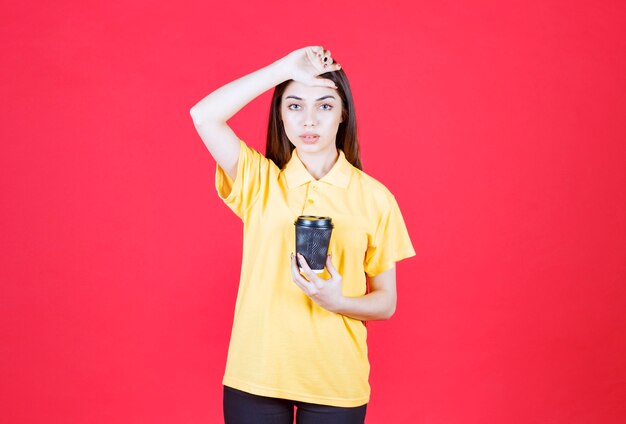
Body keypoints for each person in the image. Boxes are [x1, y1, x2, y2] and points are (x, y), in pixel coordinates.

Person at [190, 46, 416, 424]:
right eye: (294, 105)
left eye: (325, 106)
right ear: (280, 114)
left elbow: (386, 302)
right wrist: (283, 68)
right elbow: (203, 115)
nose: (308, 120)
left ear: (343, 114)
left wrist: (337, 300)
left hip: (335, 379)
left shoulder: (375, 198)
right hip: (255, 375)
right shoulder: (259, 181)